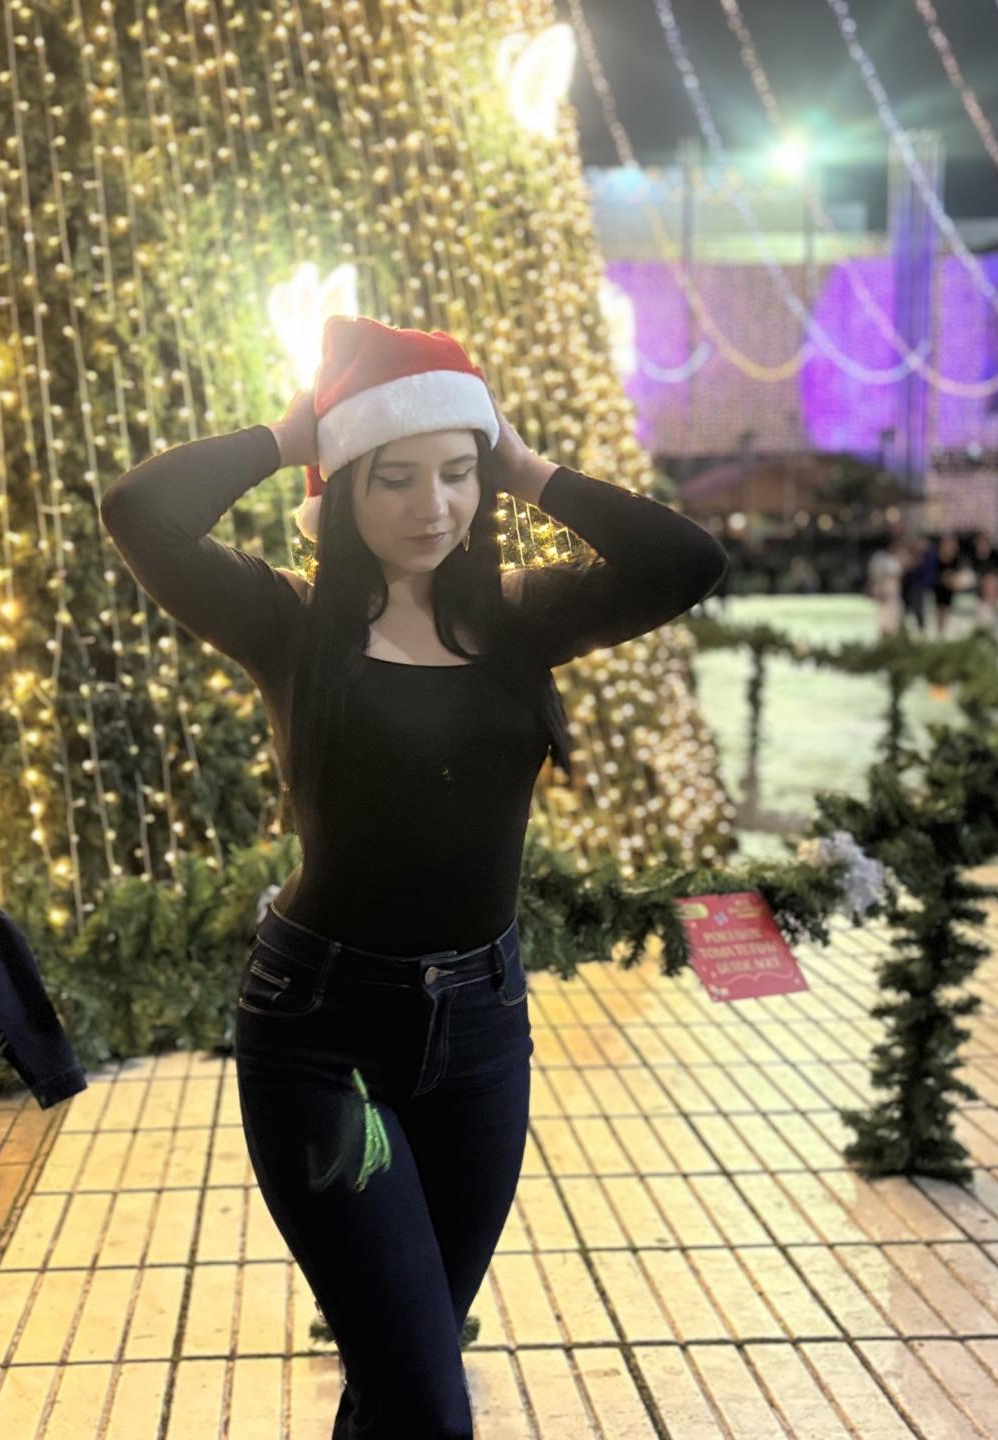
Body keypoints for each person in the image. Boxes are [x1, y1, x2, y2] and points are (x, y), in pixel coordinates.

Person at [99, 316, 728, 1439]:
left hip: (482, 1036)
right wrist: (289, 434)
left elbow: (689, 563)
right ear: (344, 484)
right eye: (395, 477)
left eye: (457, 473)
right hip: (323, 1040)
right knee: (429, 1403)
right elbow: (139, 511)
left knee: (402, 1374)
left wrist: (527, 466)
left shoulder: (520, 617)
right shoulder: (290, 621)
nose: (434, 506)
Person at [970, 529, 998, 630]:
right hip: (980, 586)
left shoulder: (995, 555)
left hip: (992, 584)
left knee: (992, 583)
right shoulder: (974, 556)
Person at [865, 540, 904, 638]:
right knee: (883, 615)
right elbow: (877, 576)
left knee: (894, 615)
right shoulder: (881, 558)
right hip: (885, 590)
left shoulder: (898, 558)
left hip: (894, 592)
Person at [899, 534, 930, 634]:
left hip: (918, 587)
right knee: (906, 609)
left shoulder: (926, 556)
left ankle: (921, 630)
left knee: (918, 609)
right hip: (908, 586)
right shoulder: (909, 554)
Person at [932, 533, 960, 637]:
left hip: (950, 588)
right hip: (939, 588)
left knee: (947, 611)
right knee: (939, 611)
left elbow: (956, 574)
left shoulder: (955, 558)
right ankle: (939, 632)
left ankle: (944, 632)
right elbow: (936, 573)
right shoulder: (937, 557)